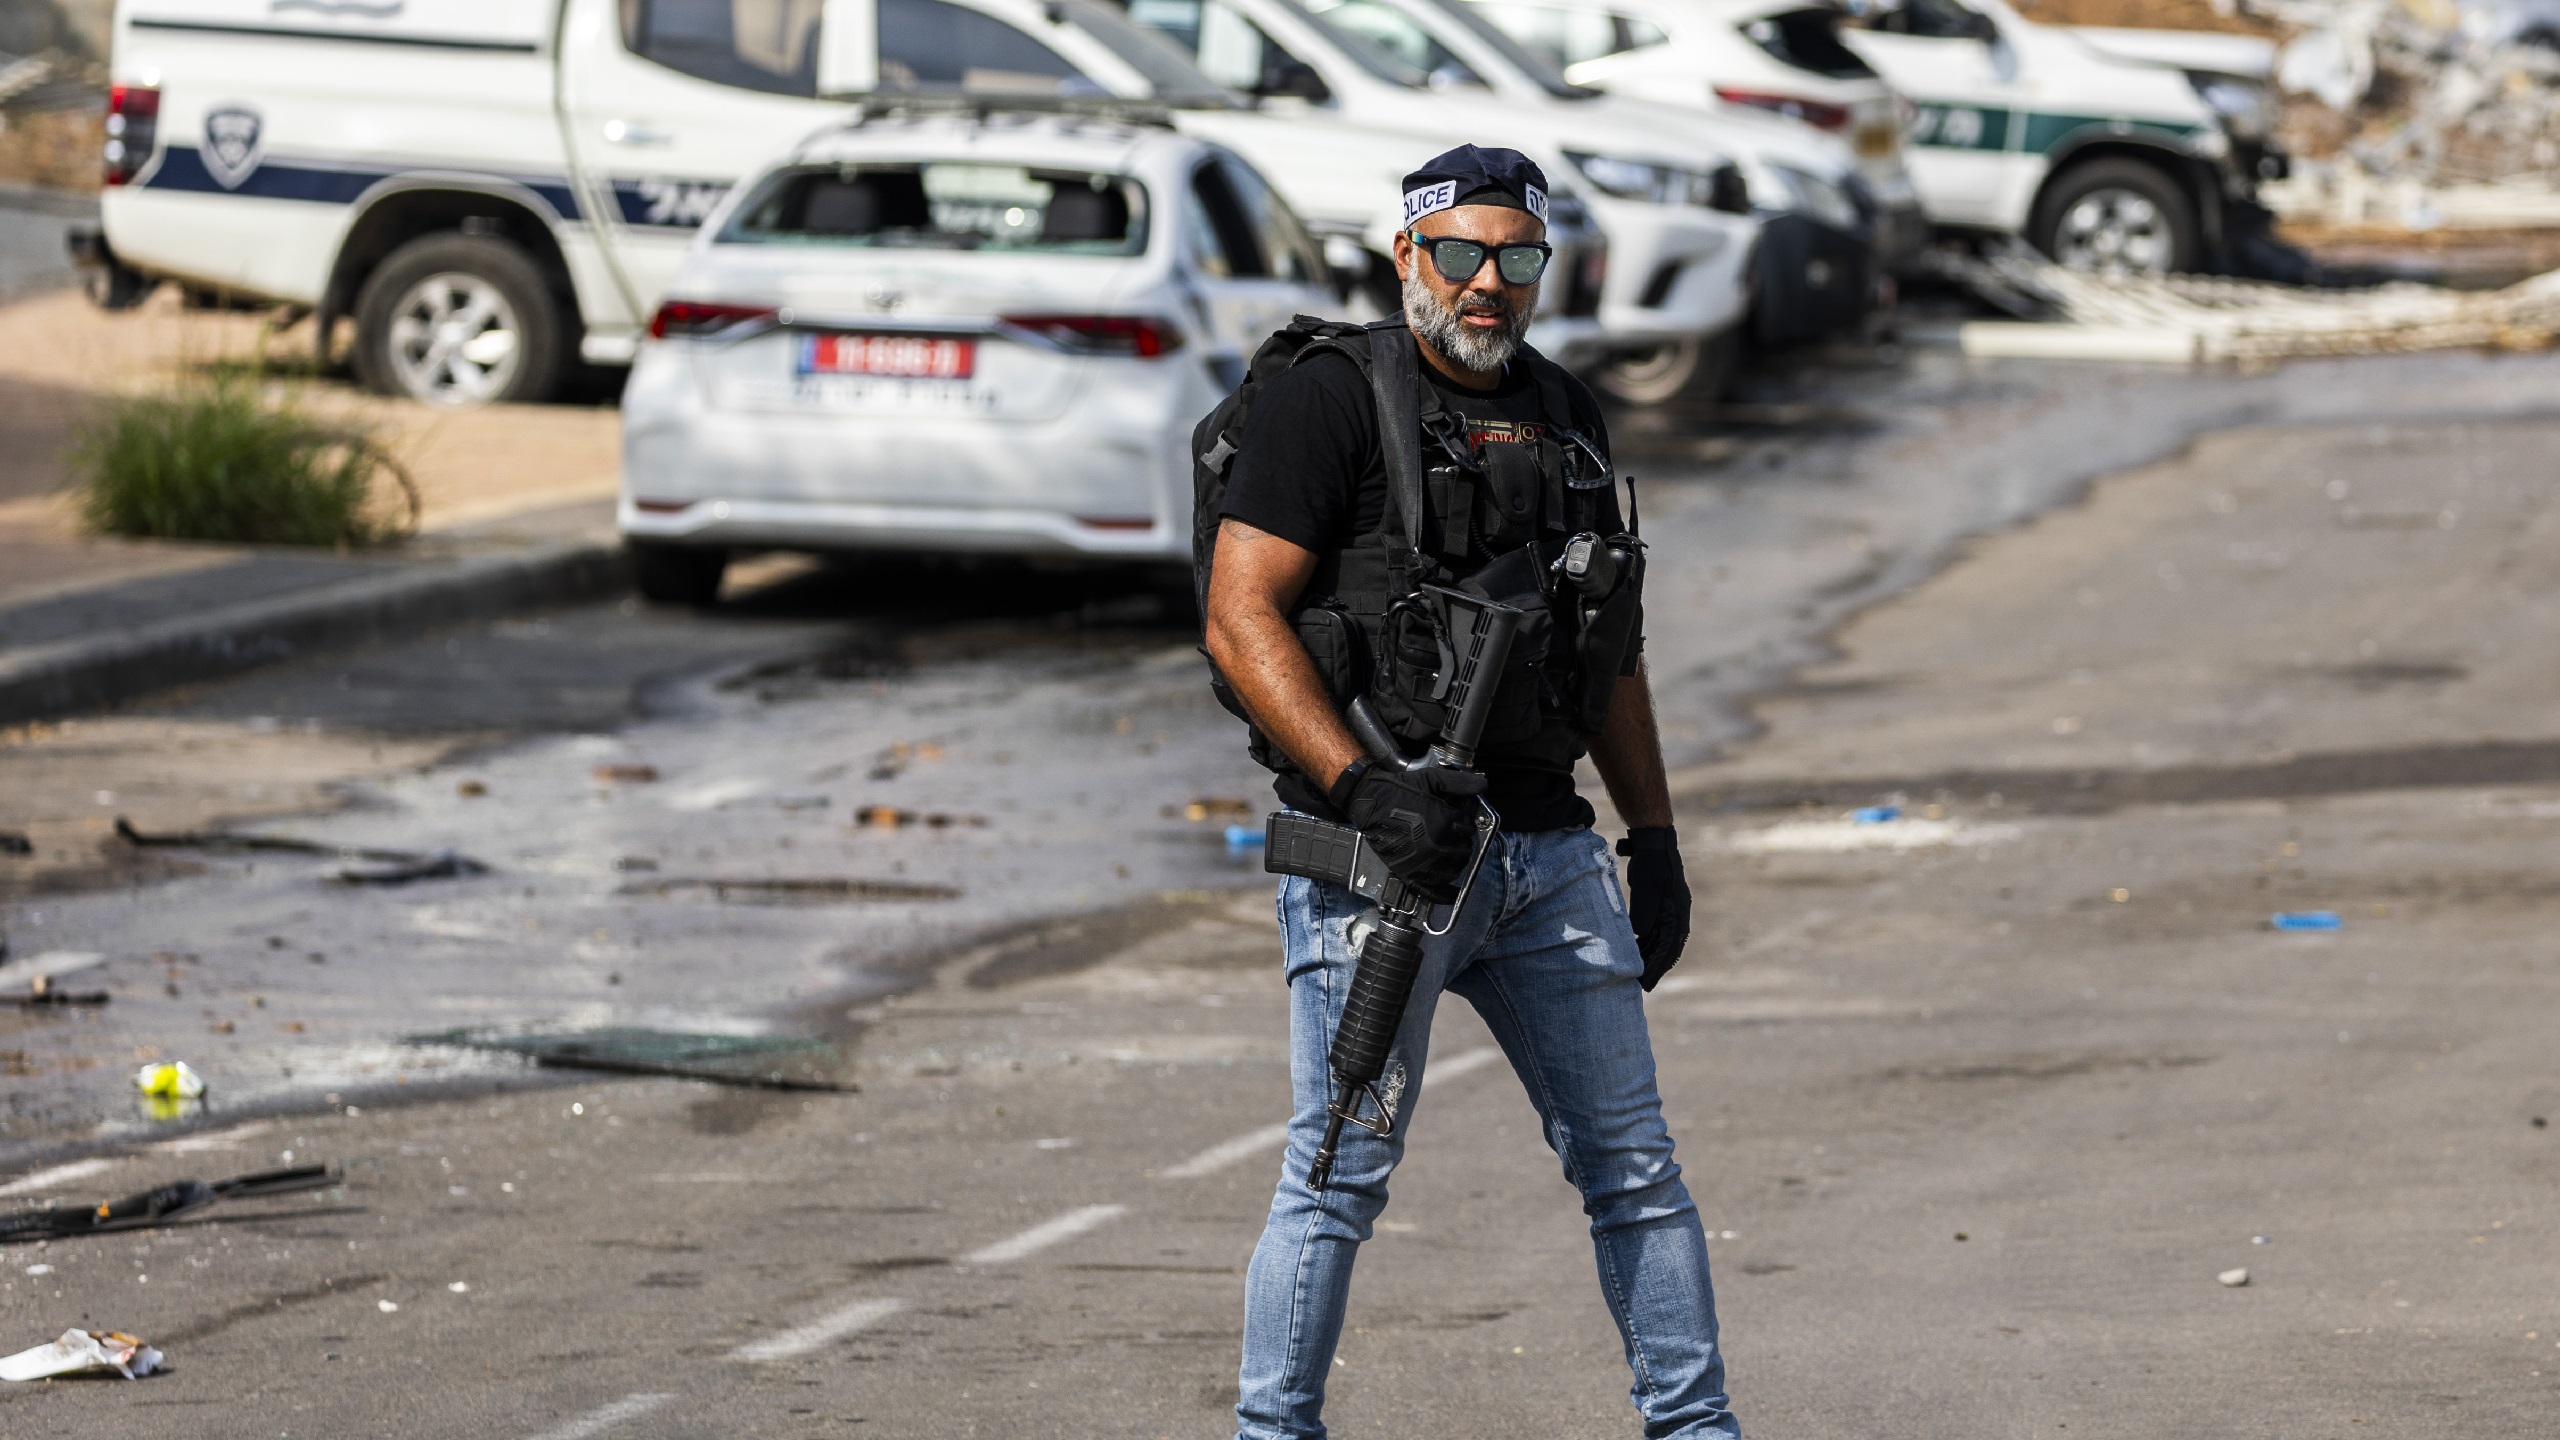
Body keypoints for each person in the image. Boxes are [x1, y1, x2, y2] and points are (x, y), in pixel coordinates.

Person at [1203, 144, 1736, 1440]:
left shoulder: (1565, 413)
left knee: (1638, 1174)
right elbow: (1239, 614)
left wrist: (1654, 836)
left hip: (1549, 855)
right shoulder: (1332, 399)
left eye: (1518, 258)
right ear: (1408, 259)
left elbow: (1608, 652)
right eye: (1461, 254)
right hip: (1387, 870)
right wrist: (1361, 786)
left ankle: (1697, 1428)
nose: (1487, 283)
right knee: (1337, 1179)